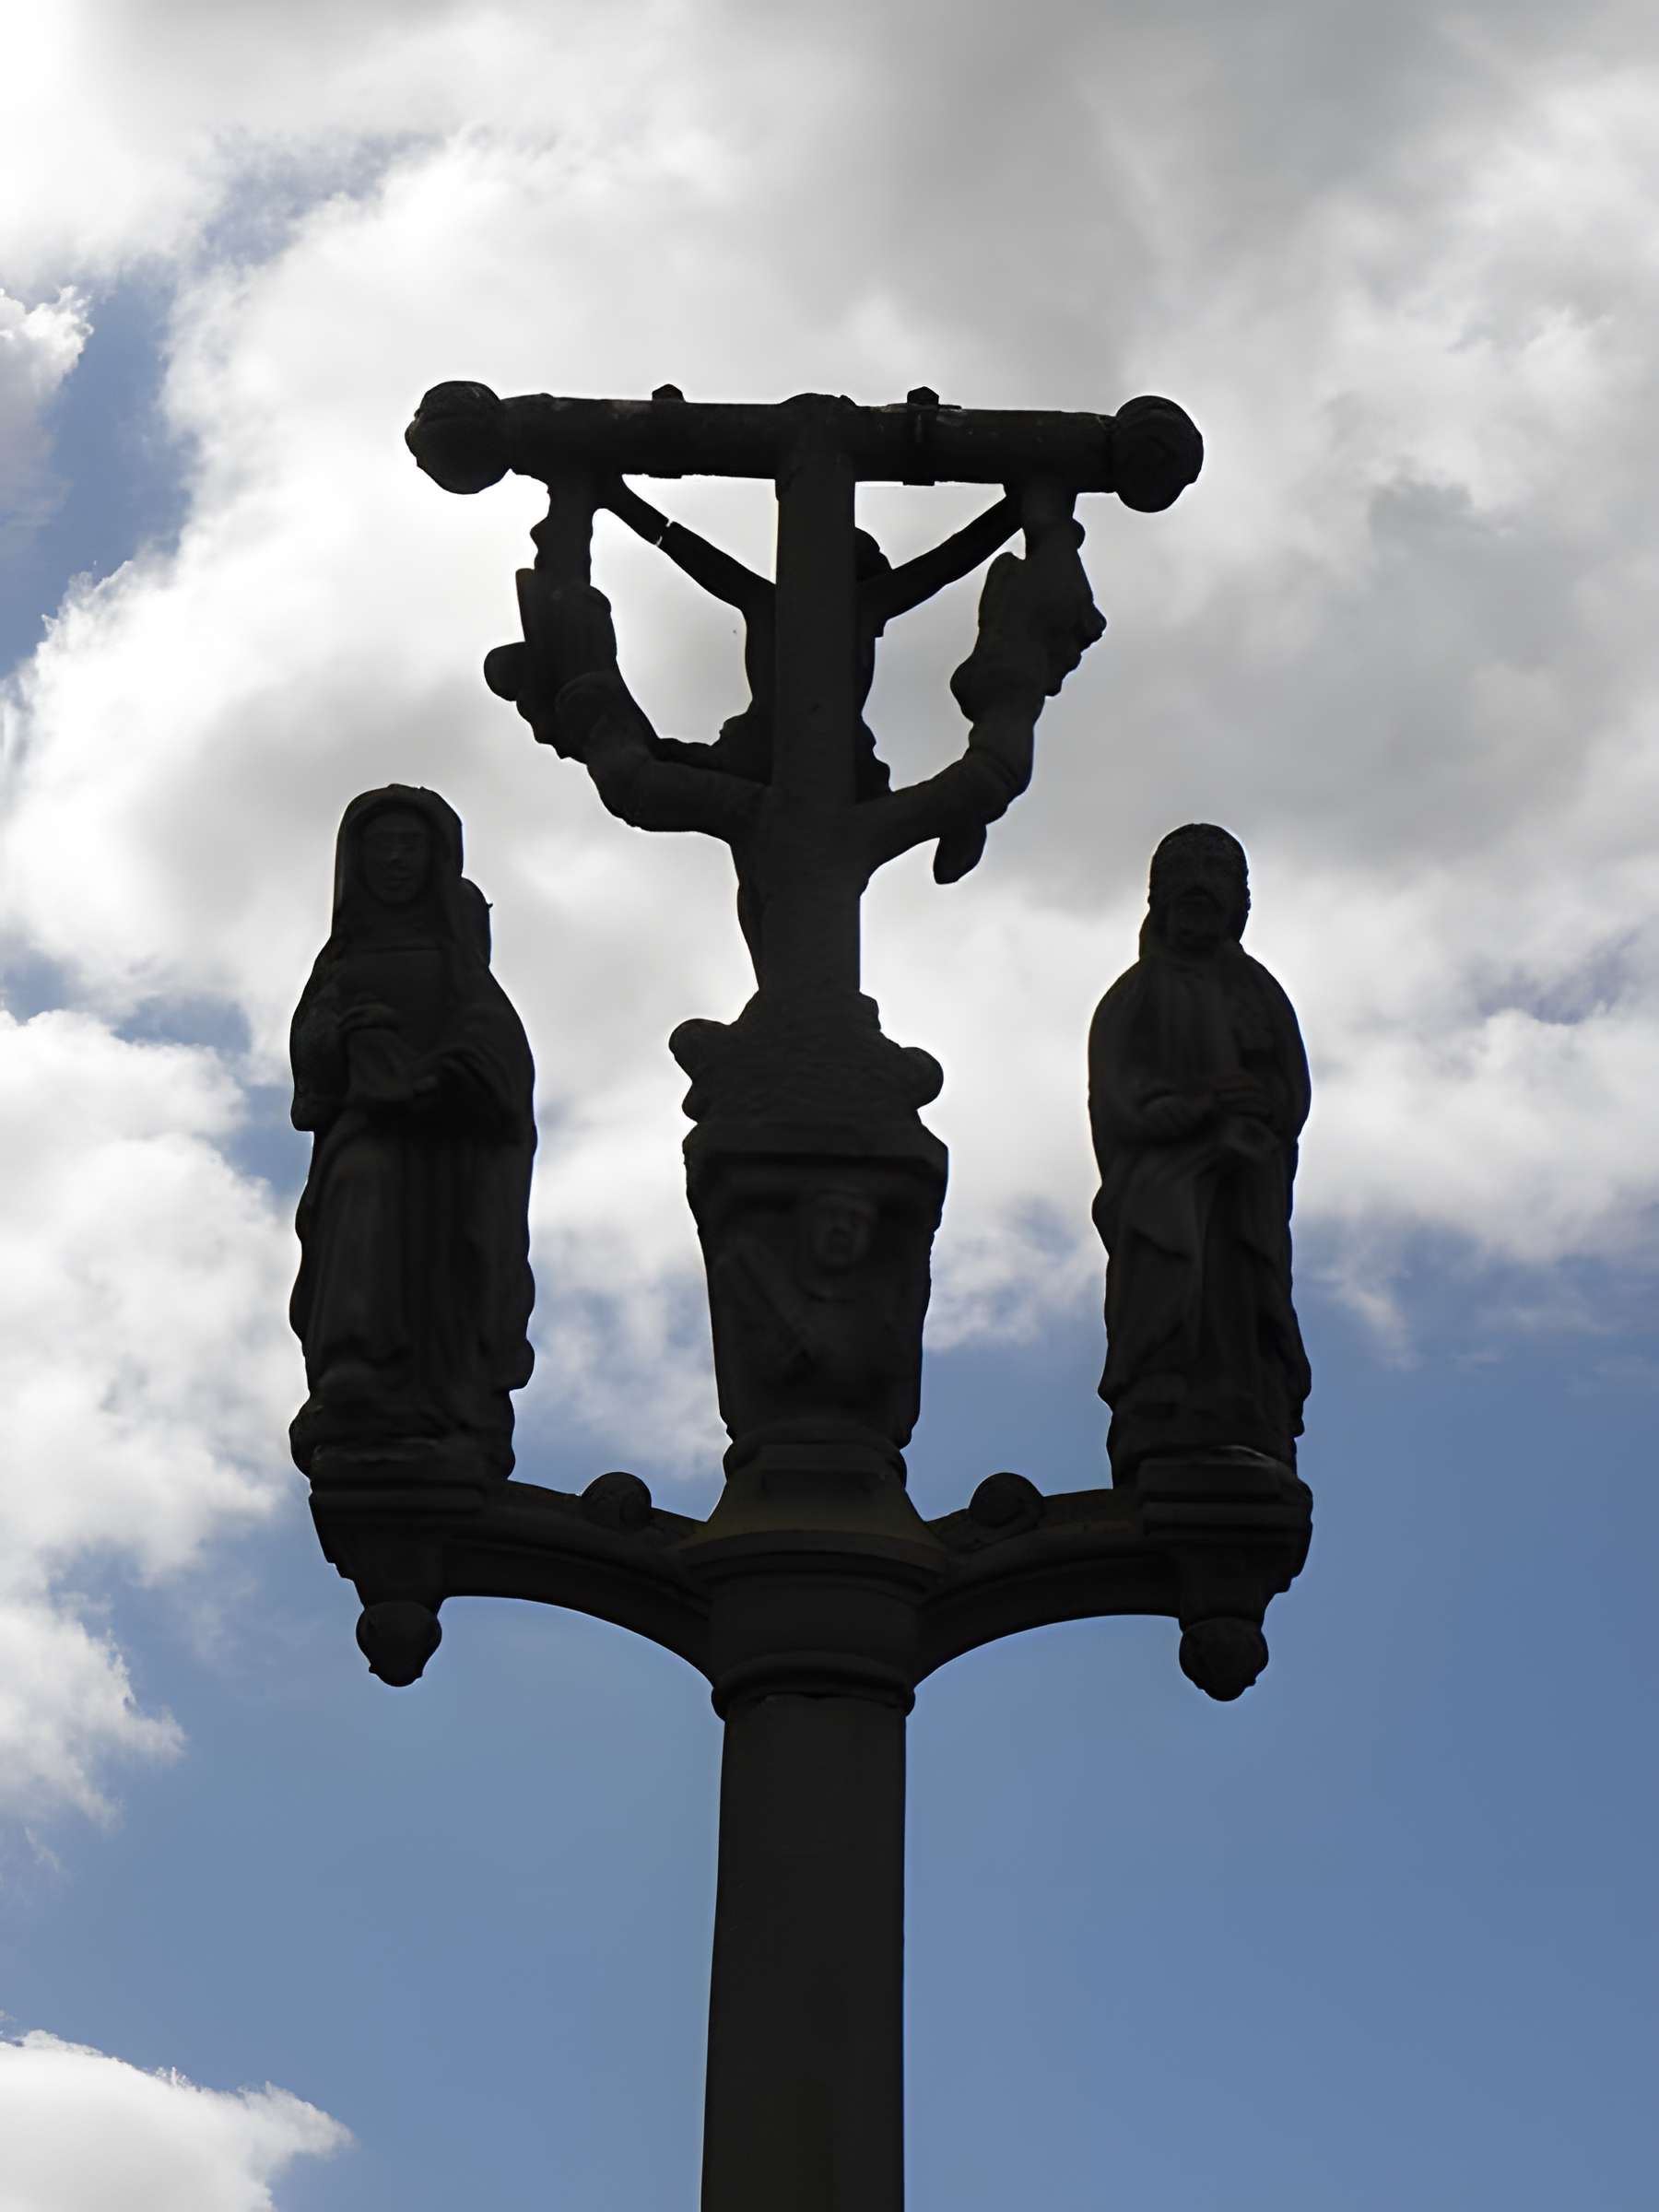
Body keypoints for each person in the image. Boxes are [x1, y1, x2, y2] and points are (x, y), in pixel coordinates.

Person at [288, 786, 536, 1477]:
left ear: (435, 858)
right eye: (381, 845)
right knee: (364, 1185)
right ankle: (356, 1361)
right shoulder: (340, 961)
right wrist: (345, 1036)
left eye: (411, 845)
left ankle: (444, 1387)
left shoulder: (456, 953)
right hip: (367, 1131)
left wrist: (451, 1075)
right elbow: (309, 1053)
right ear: (356, 860)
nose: (396, 859)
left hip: (447, 1144)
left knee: (448, 1255)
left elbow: (495, 1043)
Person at [1088, 824, 1312, 1479]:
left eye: (1215, 896)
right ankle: (1159, 1397)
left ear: (1238, 908)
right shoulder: (1134, 997)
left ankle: (1249, 1401)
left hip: (1245, 1184)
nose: (1198, 912)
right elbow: (1118, 1098)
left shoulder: (1259, 993)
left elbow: (1290, 1093)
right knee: (1166, 1279)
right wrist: (1187, 1109)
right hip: (1165, 1184)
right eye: (1184, 896)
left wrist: (1255, 1102)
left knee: (1242, 1291)